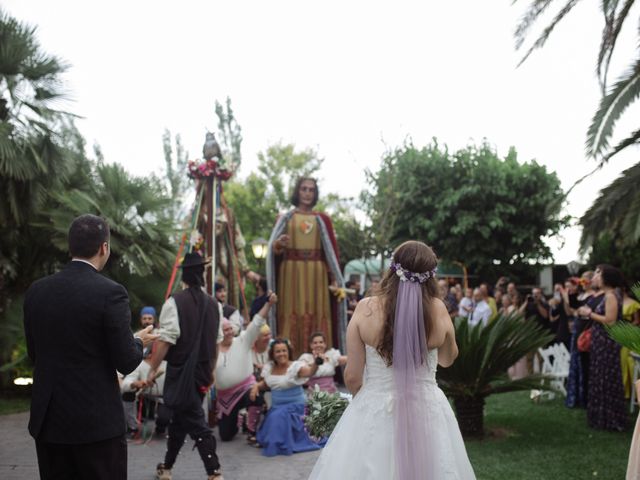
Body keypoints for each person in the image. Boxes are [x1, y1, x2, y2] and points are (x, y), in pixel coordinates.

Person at [309, 240, 475, 479]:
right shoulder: (438, 309)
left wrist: (362, 405)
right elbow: (448, 359)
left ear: (392, 270)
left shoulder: (365, 308)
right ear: (430, 276)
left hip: (376, 407)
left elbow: (352, 377)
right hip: (427, 408)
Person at [23, 214, 158, 480]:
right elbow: (127, 360)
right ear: (103, 247)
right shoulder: (111, 293)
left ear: (70, 247)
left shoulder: (37, 291)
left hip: (49, 421)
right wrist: (139, 340)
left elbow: (34, 353)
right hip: (96, 424)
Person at [149, 253, 223, 480]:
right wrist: (211, 370)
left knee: (196, 422)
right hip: (201, 373)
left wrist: (152, 368)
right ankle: (167, 468)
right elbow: (216, 343)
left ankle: (214, 473)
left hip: (181, 373)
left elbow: (166, 339)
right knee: (180, 421)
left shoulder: (174, 302)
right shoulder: (215, 305)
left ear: (184, 275)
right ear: (202, 274)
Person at [266, 177, 346, 356]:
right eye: (304, 189)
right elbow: (274, 252)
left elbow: (331, 252)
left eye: (311, 190)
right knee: (290, 312)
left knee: (317, 312)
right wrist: (278, 244)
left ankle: (321, 361)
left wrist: (334, 277)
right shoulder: (285, 218)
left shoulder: (322, 219)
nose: (307, 193)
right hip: (291, 273)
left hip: (316, 273)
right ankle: (288, 359)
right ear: (297, 191)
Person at [215, 292, 277, 444]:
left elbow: (256, 322)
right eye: (225, 330)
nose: (228, 332)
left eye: (230, 328)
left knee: (255, 397)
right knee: (226, 436)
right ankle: (238, 420)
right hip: (225, 397)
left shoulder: (242, 340)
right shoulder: (212, 349)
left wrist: (268, 305)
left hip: (246, 389)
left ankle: (252, 431)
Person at [250, 339, 325, 456]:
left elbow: (309, 372)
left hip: (296, 408)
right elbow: (267, 383)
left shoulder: (296, 367)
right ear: (273, 354)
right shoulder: (269, 368)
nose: (281, 354)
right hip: (276, 408)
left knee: (277, 419)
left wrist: (316, 363)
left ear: (288, 351)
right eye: (278, 351)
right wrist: (256, 386)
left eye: (284, 350)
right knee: (275, 417)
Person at [578, 264, 627, 431]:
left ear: (607, 278)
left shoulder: (611, 296)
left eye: (599, 273)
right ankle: (601, 418)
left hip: (607, 343)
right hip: (601, 342)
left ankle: (610, 419)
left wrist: (589, 314)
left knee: (606, 378)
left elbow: (611, 321)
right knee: (600, 377)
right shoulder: (608, 295)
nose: (595, 277)